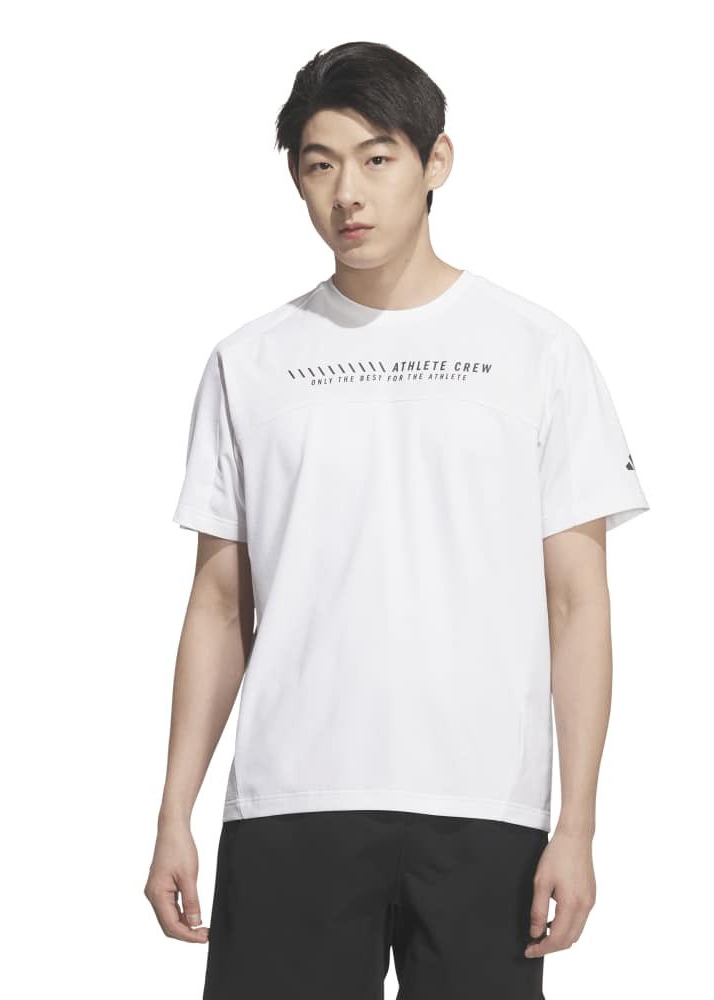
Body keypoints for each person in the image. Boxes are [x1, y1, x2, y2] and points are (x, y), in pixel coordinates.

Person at [144, 40, 650, 1000]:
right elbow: (217, 605)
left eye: (377, 158)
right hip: (291, 798)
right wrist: (176, 809)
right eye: (319, 165)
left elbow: (578, 604)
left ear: (435, 162)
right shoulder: (251, 362)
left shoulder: (537, 350)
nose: (349, 193)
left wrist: (577, 824)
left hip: (484, 806)